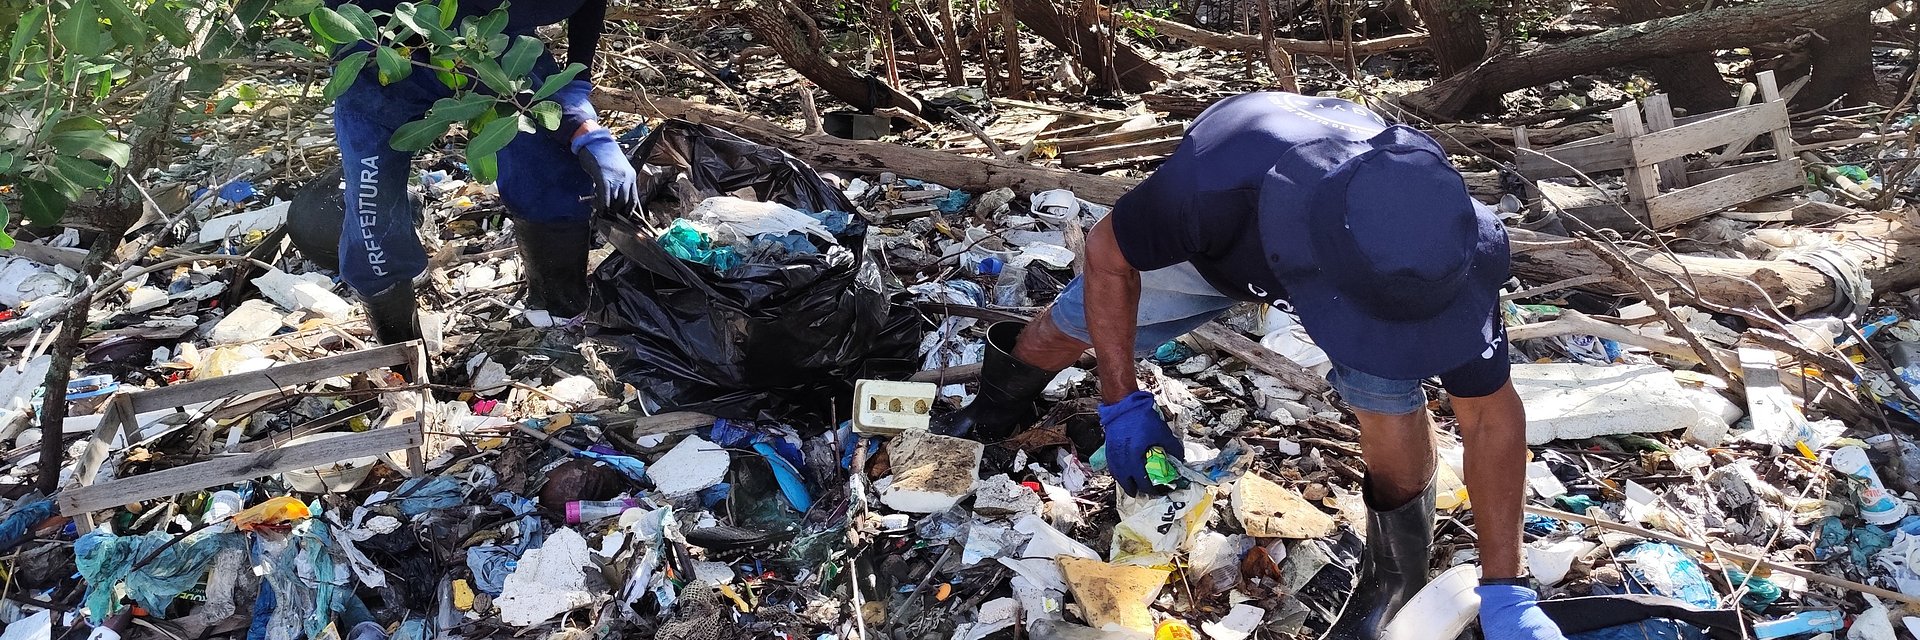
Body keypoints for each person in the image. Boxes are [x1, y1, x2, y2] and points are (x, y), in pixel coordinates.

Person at [933, 92, 1564, 640]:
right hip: (1217, 253)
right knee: (1058, 333)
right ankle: (993, 412)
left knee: (1390, 405)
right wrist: (1120, 401)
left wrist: (1506, 584)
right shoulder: (1215, 185)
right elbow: (1106, 254)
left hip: (1367, 278)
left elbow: (1489, 416)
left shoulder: (1440, 255)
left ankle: (1396, 576)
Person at [312, 0, 638, 344]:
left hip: (492, 38)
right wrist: (576, 122)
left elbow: (585, 15)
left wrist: (579, 103)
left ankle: (557, 317)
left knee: (550, 168)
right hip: (380, 53)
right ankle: (399, 352)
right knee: (372, 214)